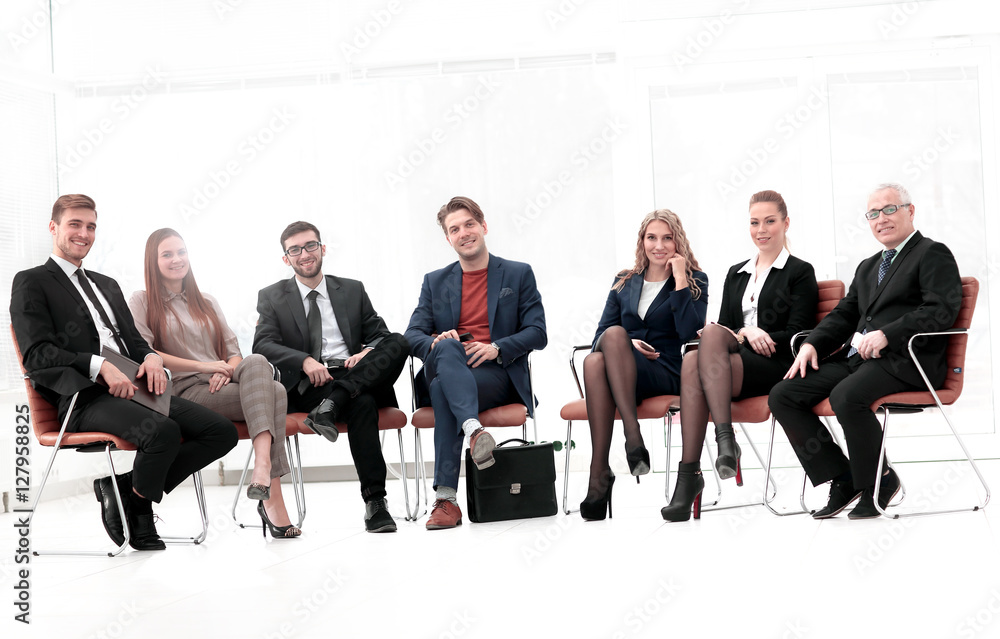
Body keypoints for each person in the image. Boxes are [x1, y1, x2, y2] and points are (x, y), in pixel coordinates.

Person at [10, 195, 237, 550]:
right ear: (53, 227)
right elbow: (37, 355)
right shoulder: (32, 281)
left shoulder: (107, 284)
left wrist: (152, 359)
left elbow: (134, 341)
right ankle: (141, 514)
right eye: (74, 224)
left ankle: (124, 490)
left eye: (90, 226)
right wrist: (99, 365)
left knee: (221, 432)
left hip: (136, 389)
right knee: (162, 431)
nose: (84, 233)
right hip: (84, 397)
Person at [769, 183, 962, 519]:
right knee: (784, 394)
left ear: (910, 211)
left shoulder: (932, 253)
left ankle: (879, 481)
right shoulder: (869, 266)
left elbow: (940, 310)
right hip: (860, 361)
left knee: (846, 395)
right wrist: (812, 343)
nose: (880, 219)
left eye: (889, 209)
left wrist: (888, 334)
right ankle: (842, 477)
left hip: (907, 361)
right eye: (873, 214)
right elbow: (844, 315)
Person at [128, 229, 299, 538]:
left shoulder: (206, 301)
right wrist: (205, 366)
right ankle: (271, 496)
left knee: (257, 361)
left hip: (222, 384)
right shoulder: (142, 301)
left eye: (181, 252)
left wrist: (227, 371)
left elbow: (233, 352)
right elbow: (146, 353)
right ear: (153, 261)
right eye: (167, 254)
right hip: (185, 391)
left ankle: (262, 467)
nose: (177, 259)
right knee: (274, 391)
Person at [661, 191, 818, 522]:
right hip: (731, 366)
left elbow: (800, 333)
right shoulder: (737, 273)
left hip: (776, 364)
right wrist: (746, 331)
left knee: (696, 359)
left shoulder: (799, 271)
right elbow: (726, 328)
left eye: (770, 221)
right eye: (754, 222)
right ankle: (718, 449)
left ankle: (696, 472)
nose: (761, 230)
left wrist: (758, 335)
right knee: (698, 352)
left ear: (786, 223)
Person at [253, 221, 409, 533]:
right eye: (295, 250)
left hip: (355, 372)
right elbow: (262, 344)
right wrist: (305, 360)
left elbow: (380, 335)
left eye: (310, 245)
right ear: (286, 258)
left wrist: (367, 351)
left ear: (322, 248)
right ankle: (376, 503)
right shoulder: (272, 296)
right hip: (309, 384)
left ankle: (335, 402)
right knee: (362, 401)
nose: (304, 254)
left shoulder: (352, 289)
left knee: (400, 341)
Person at [405, 196, 547, 530]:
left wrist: (497, 348)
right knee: (447, 346)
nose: (464, 233)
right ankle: (474, 430)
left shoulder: (517, 273)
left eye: (469, 224)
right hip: (449, 363)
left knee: (443, 389)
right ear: (448, 238)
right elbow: (411, 335)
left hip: (493, 375)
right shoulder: (435, 281)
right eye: (454, 229)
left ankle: (446, 500)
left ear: (483, 226)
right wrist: (436, 342)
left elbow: (538, 332)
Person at [579, 209, 708, 521]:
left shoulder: (695, 280)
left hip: (664, 370)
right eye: (652, 238)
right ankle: (617, 451)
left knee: (605, 351)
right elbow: (599, 335)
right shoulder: (624, 281)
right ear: (642, 241)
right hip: (621, 370)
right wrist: (627, 344)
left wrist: (680, 278)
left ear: (678, 242)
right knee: (599, 353)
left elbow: (690, 334)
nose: (659, 246)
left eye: (667, 238)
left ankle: (606, 468)